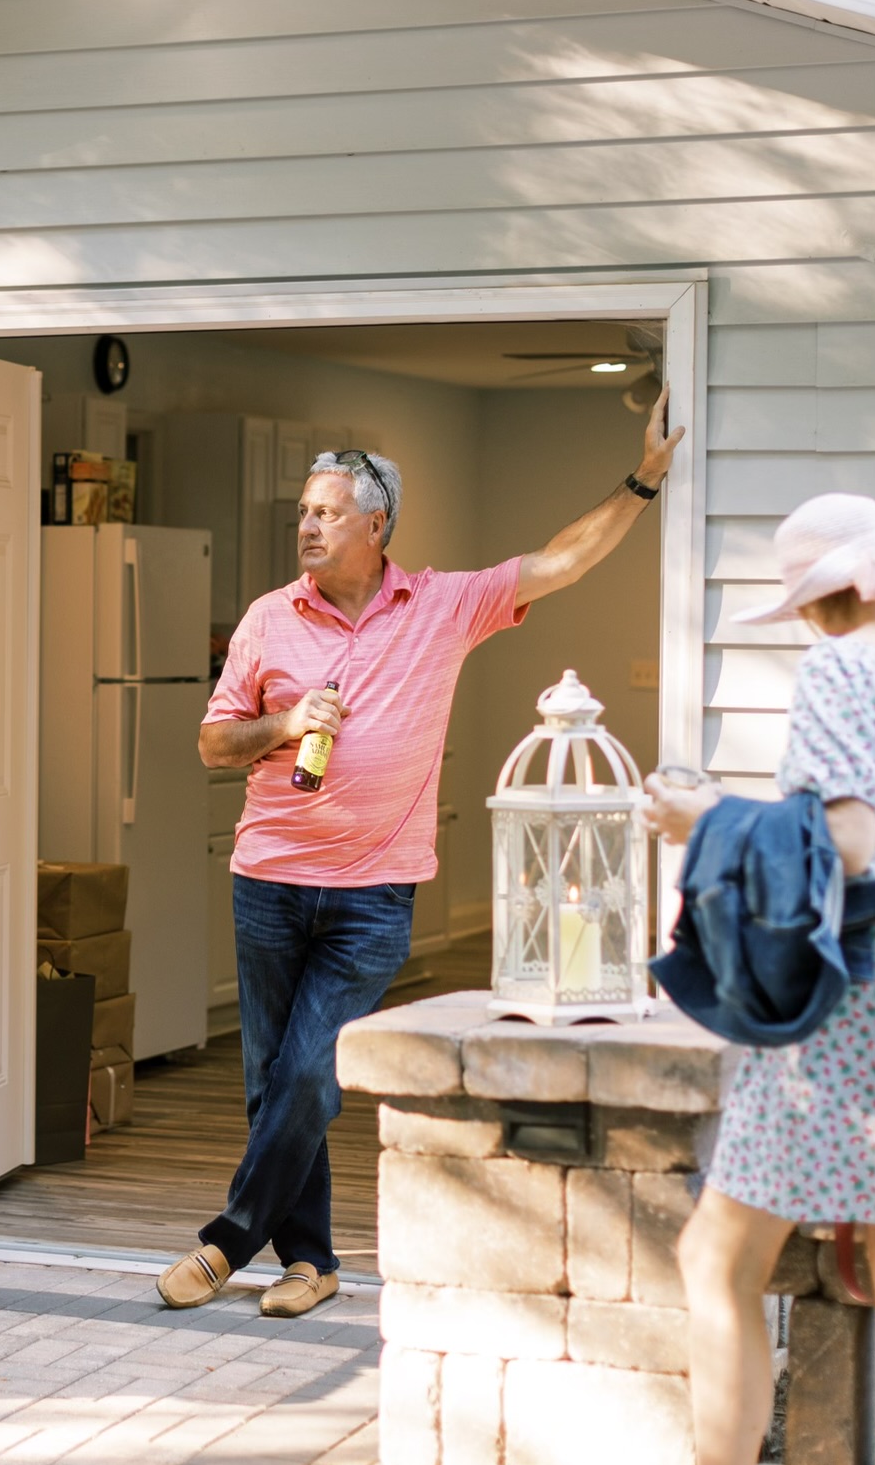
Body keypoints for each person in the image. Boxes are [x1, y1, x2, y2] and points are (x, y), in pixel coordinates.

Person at [157, 392, 685, 1319]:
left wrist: (643, 478)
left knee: (312, 1072)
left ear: (377, 524)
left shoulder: (442, 605)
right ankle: (311, 1264)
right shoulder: (267, 618)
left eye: (325, 513)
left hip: (372, 894)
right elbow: (211, 744)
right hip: (269, 879)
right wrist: (283, 722)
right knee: (275, 1084)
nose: (307, 527)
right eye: (303, 514)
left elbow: (560, 561)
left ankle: (228, 1240)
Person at [579, 492, 875, 1465]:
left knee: (718, 1264)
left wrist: (701, 821)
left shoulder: (847, 671)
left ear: (824, 598)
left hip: (845, 1021)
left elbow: (850, 844)